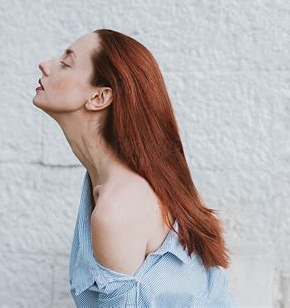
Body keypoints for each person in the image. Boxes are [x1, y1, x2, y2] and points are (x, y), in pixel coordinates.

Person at [33, 28, 238, 307]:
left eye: (66, 63)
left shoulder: (117, 210)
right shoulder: (111, 186)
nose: (45, 65)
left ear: (99, 97)